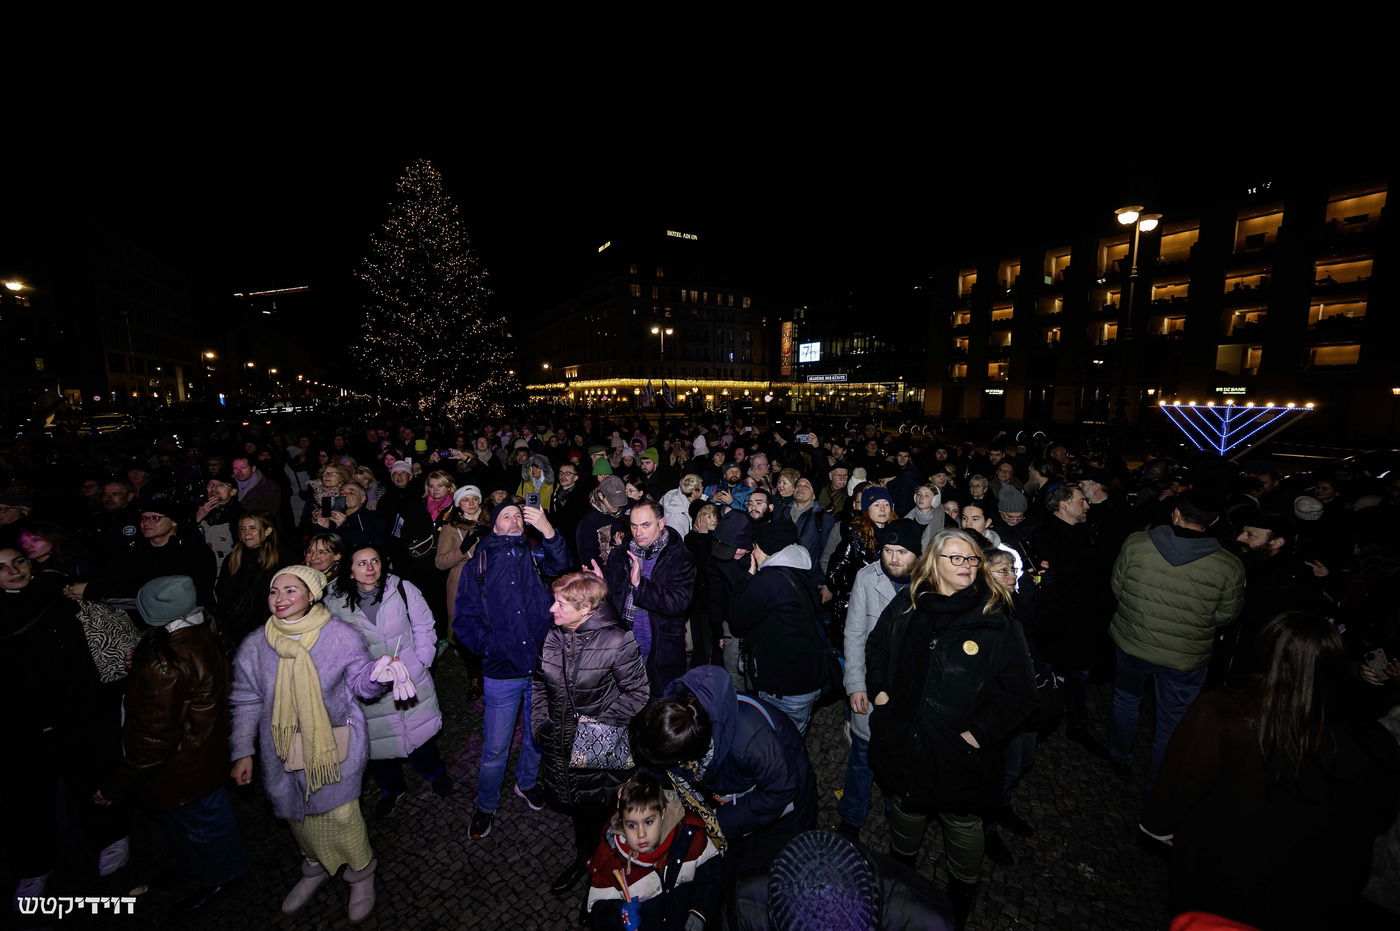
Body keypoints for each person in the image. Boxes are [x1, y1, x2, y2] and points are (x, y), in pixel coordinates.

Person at [1141, 612, 1400, 929]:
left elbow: (1181, 780)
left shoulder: (1221, 711)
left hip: (1215, 874)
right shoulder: (1346, 735)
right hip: (1288, 890)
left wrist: (1159, 827)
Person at [865, 530, 1037, 928]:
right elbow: (877, 646)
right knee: (906, 805)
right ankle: (900, 874)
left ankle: (961, 892)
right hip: (904, 737)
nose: (966, 565)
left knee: (961, 820)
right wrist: (881, 693)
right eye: (956, 558)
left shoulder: (994, 619)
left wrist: (977, 735)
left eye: (972, 559)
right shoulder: (909, 604)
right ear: (933, 563)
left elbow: (1020, 694)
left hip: (958, 749)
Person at [229, 565, 396, 923]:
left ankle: (360, 873)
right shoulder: (256, 644)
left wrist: (378, 675)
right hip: (282, 748)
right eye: (275, 591)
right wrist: (243, 750)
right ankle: (314, 867)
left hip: (334, 743)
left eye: (291, 590)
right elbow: (246, 699)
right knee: (298, 815)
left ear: (311, 595)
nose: (280, 598)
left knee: (343, 814)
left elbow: (360, 684)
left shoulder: (340, 635)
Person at [99, 575, 248, 910]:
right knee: (191, 821)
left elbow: (154, 737)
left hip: (184, 764)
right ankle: (195, 866)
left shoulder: (165, 661)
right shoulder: (204, 625)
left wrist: (116, 785)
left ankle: (224, 875)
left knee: (204, 825)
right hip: (205, 751)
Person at [3, 547, 129, 904]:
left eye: (18, 561)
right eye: (2, 567)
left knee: (89, 775)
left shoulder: (53, 592)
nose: (13, 571)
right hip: (22, 723)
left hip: (76, 708)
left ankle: (110, 836)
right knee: (28, 799)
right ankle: (35, 866)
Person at [631, 666, 818, 893]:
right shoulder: (675, 720)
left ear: (689, 757)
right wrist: (642, 782)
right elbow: (662, 760)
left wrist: (723, 821)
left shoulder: (751, 742)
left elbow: (780, 791)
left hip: (786, 795)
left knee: (766, 868)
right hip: (741, 791)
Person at [1107, 489, 1245, 795]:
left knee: (1126, 700)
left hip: (1133, 642)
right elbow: (1227, 614)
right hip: (1185, 656)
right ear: (1214, 521)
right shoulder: (1229, 565)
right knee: (1172, 721)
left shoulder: (1137, 543)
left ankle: (1119, 756)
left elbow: (1118, 586)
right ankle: (1157, 782)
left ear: (1176, 513)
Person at [452, 498, 571, 839]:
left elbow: (562, 567)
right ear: (494, 526)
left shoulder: (535, 556)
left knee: (536, 738)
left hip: (538, 668)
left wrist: (548, 531)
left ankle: (527, 782)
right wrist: (491, 646)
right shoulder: (478, 564)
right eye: (506, 516)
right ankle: (486, 804)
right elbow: (464, 621)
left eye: (519, 515)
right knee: (495, 747)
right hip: (501, 671)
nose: (515, 520)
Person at [532, 572, 651, 896]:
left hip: (600, 750)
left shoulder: (617, 640)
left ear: (586, 609)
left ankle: (613, 877)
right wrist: (540, 724)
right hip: (559, 747)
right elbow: (539, 683)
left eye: (560, 604)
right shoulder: (553, 635)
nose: (552, 609)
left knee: (607, 816)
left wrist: (594, 730)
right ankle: (586, 863)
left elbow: (638, 693)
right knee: (580, 814)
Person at [325, 545, 450, 817]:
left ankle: (435, 773)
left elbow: (424, 626)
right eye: (362, 563)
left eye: (375, 561)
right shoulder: (334, 602)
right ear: (350, 570)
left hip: (408, 677)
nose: (370, 568)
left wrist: (421, 660)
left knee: (420, 733)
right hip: (368, 684)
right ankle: (392, 789)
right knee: (378, 742)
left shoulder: (401, 589)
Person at [836, 519, 922, 841]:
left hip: (910, 694)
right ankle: (851, 816)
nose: (893, 558)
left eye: (902, 552)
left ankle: (896, 814)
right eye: (888, 550)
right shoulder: (866, 577)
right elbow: (855, 633)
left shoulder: (931, 583)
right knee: (862, 756)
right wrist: (856, 684)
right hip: (872, 689)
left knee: (902, 760)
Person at [586, 771, 722, 930]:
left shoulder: (690, 838)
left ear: (662, 814)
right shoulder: (612, 861)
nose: (641, 834)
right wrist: (618, 915)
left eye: (649, 822)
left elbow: (712, 874)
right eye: (632, 825)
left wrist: (700, 910)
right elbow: (595, 910)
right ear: (622, 822)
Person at [728, 521, 826, 735]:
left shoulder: (769, 580)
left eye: (754, 547)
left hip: (785, 688)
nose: (752, 552)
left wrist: (748, 576)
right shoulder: (800, 570)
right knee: (794, 740)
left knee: (781, 746)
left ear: (764, 549)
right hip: (806, 678)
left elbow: (737, 620)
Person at [600, 500, 697, 698]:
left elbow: (677, 603)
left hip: (660, 652)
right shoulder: (620, 555)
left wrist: (640, 585)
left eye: (646, 525)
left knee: (658, 708)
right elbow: (611, 599)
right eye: (634, 526)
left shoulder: (680, 558)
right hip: (623, 649)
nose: (638, 532)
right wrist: (597, 586)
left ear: (661, 523)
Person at [214, 511, 283, 649]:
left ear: (267, 531)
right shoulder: (233, 558)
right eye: (243, 528)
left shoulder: (280, 559)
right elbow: (221, 591)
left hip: (266, 629)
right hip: (234, 629)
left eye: (253, 528)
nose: (246, 533)